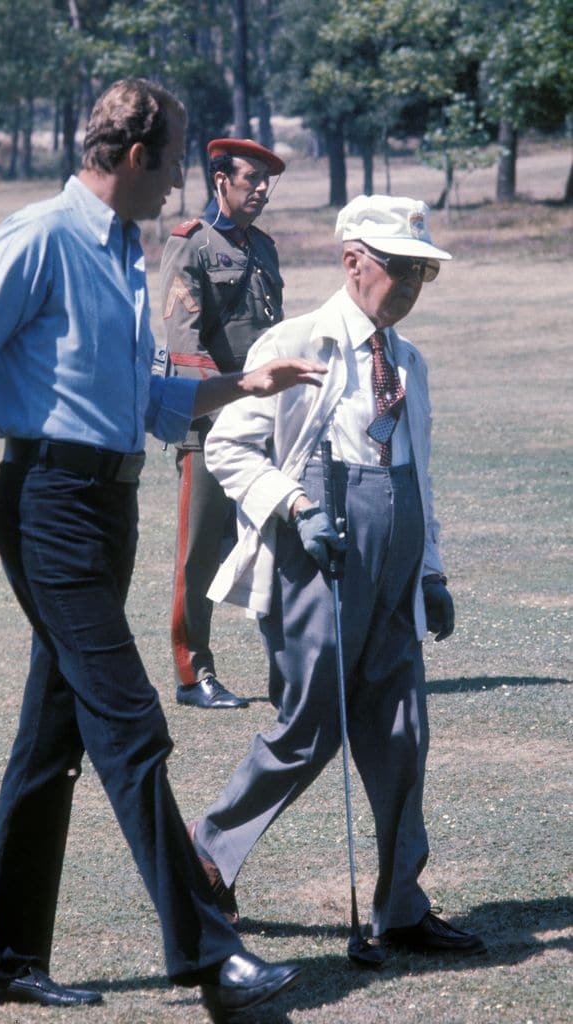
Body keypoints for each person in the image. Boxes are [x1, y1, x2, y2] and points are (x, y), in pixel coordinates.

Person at [0, 78, 326, 1018]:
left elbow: (151, 406)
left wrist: (248, 383)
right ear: (136, 159)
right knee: (130, 723)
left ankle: (1, 957)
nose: (179, 183)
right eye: (173, 164)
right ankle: (211, 955)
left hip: (107, 507)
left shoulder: (124, 255)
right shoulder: (40, 237)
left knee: (51, 740)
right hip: (48, 502)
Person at [188, 194, 487, 957]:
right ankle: (203, 863)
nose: (413, 284)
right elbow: (226, 448)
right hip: (317, 552)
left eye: (425, 272)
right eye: (400, 269)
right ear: (353, 260)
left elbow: (417, 474)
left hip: (395, 557)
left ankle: (402, 905)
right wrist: (293, 505)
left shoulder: (409, 361)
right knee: (308, 730)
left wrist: (431, 571)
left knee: (401, 730)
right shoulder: (297, 341)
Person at [157, 137, 286, 709]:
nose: (260, 188)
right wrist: (231, 399)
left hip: (267, 419)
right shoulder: (191, 246)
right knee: (201, 550)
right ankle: (193, 674)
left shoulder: (264, 247)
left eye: (266, 180)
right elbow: (183, 344)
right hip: (210, 421)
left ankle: (291, 668)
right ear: (220, 181)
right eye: (250, 178)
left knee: (279, 541)